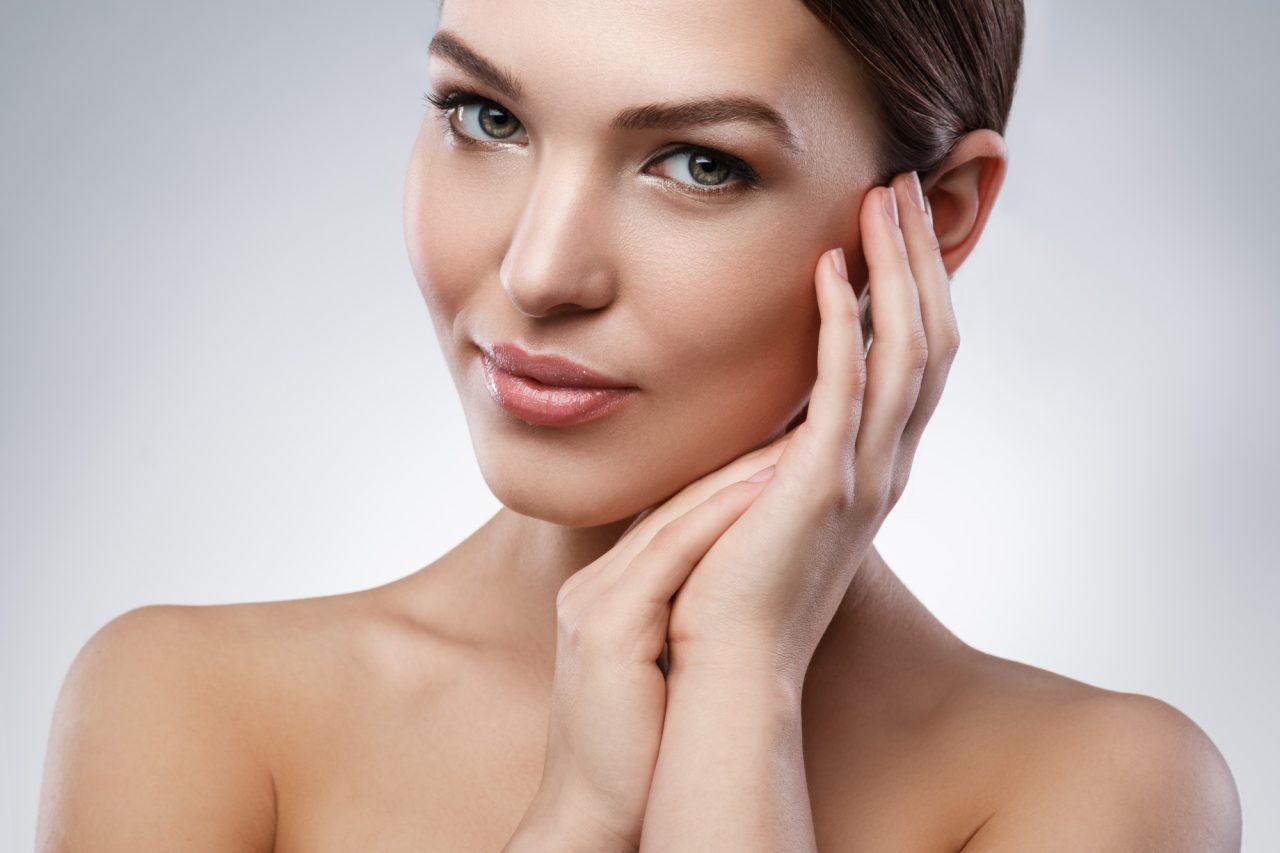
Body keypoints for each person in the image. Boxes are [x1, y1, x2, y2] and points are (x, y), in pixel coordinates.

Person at [36, 0, 1243, 850]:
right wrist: (572, 824)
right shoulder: (190, 710)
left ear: (932, 217)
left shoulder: (1099, 789)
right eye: (485, 117)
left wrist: (738, 689)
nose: (539, 268)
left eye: (695, 163)